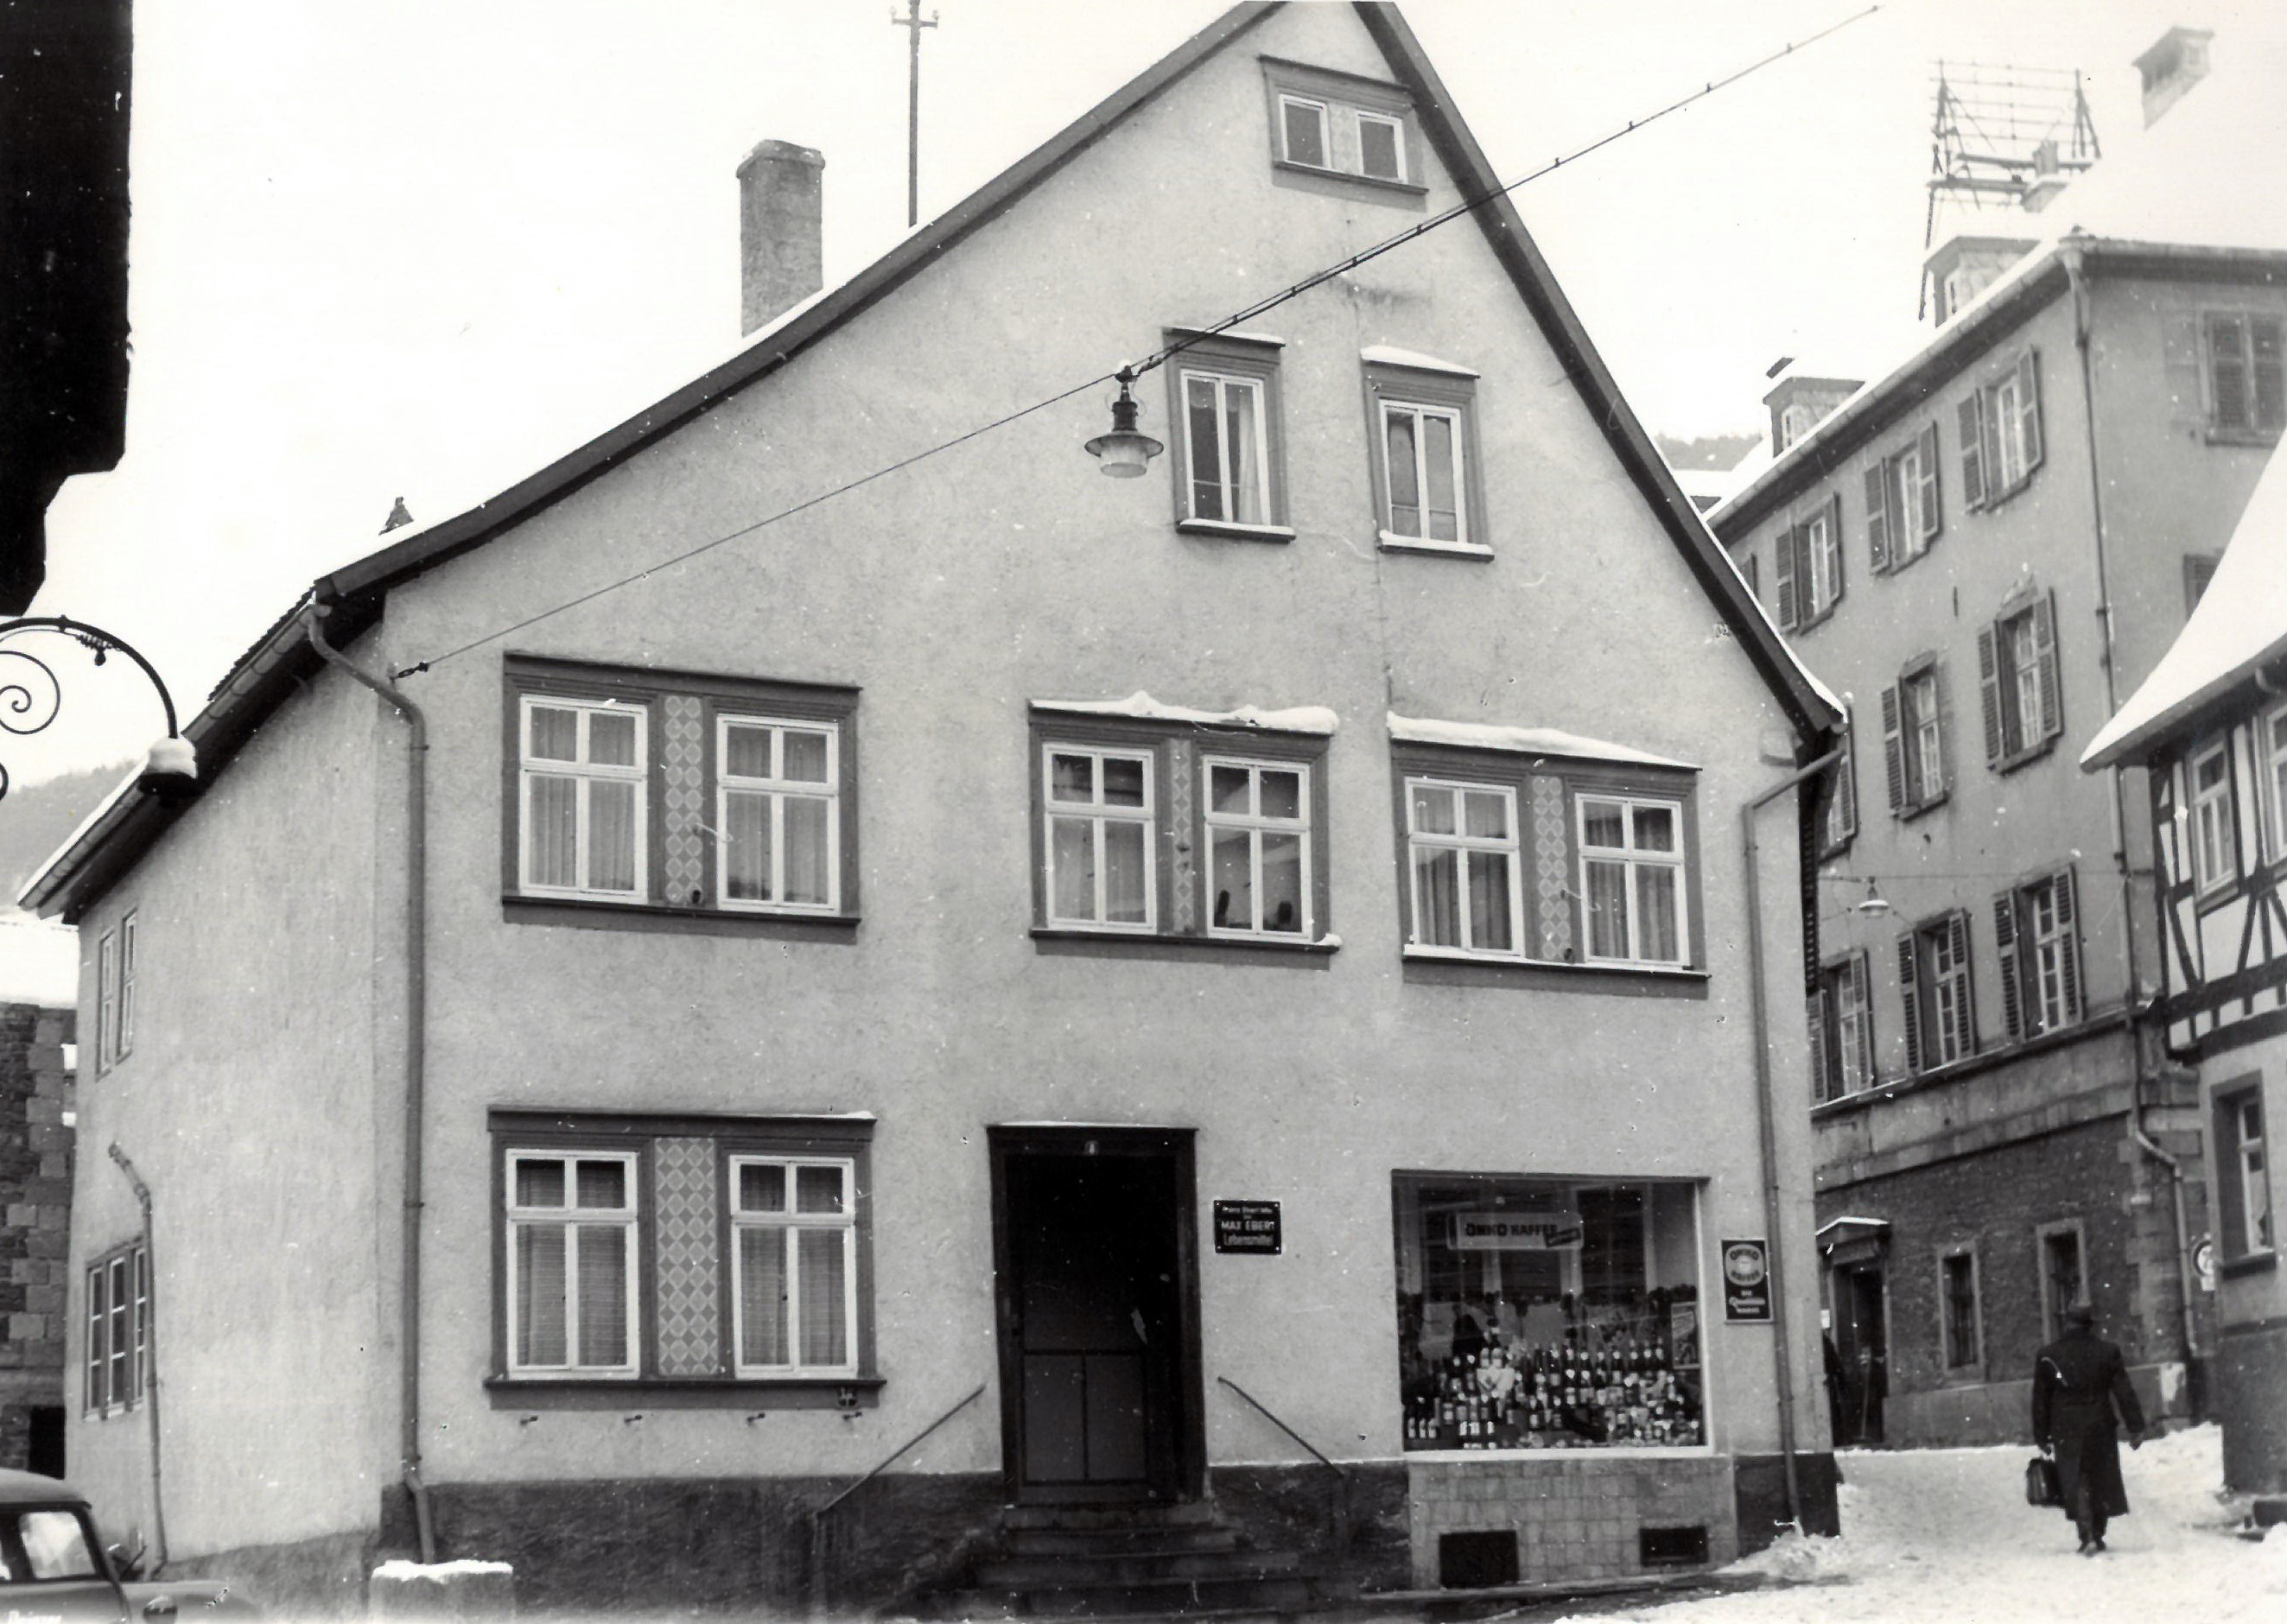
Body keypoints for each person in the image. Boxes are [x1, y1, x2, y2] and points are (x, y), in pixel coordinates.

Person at [2030, 1302, 2146, 1555]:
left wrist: (2041, 1434)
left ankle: (2087, 1533)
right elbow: (2123, 1391)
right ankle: (2098, 1530)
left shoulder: (2049, 1355)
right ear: (2090, 1324)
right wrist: (2135, 1426)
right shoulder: (2107, 1352)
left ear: (2066, 1323)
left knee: (2076, 1477)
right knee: (2099, 1476)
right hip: (2099, 1422)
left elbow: (2041, 1399)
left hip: (2066, 1425)